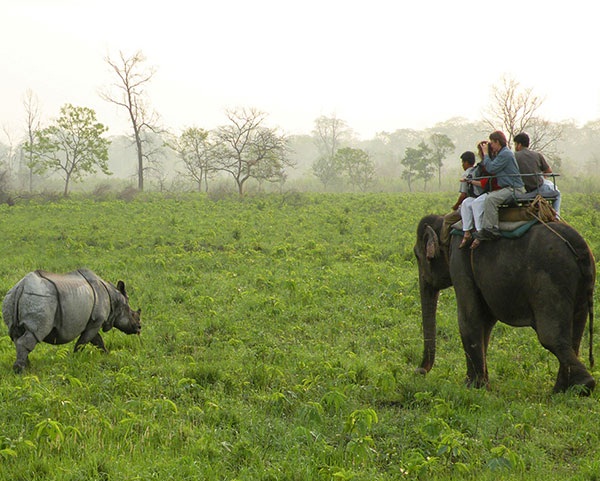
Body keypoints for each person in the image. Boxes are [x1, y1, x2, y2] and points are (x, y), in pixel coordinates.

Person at [471, 130, 524, 249]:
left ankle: (491, 229)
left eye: (492, 143)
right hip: (508, 187)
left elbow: (491, 168)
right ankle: (486, 227)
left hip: (513, 189)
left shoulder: (505, 154)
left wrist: (485, 154)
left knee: (490, 199)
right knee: (490, 197)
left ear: (497, 142)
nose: (491, 146)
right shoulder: (502, 153)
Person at [458, 142, 499, 248]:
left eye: (481, 151)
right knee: (466, 203)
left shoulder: (492, 164)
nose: (479, 153)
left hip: (494, 191)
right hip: (483, 192)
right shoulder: (481, 166)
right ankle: (467, 232)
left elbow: (484, 182)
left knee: (476, 203)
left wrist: (469, 181)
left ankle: (480, 232)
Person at [513, 132, 561, 215]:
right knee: (557, 193)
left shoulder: (514, 156)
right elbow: (549, 171)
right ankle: (556, 216)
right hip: (538, 189)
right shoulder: (537, 155)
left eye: (515, 144)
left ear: (519, 145)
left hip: (522, 191)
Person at [440, 151, 476, 246]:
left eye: (462, 162)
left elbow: (463, 195)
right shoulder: (477, 171)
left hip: (467, 206)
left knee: (447, 219)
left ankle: (444, 244)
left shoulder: (466, 175)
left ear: (466, 162)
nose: (462, 165)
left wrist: (455, 206)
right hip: (477, 202)